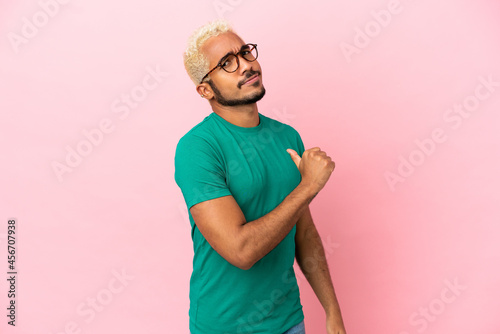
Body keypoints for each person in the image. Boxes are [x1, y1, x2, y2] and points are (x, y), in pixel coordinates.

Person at [174, 19, 347, 334]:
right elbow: (241, 251)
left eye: (245, 53)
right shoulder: (197, 149)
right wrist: (308, 186)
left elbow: (304, 235)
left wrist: (332, 312)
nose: (246, 65)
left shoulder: (287, 137)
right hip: (225, 325)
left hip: (288, 320)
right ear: (205, 89)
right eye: (227, 63)